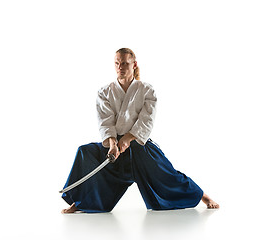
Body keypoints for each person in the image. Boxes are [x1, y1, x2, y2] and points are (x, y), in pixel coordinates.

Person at [61, 48, 219, 213]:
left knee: (168, 176)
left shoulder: (147, 90)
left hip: (139, 144)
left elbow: (146, 120)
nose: (120, 67)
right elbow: (105, 122)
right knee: (85, 153)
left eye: (124, 63)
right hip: (115, 147)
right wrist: (113, 143)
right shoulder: (104, 92)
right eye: (117, 63)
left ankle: (203, 196)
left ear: (134, 64)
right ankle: (80, 202)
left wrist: (128, 139)